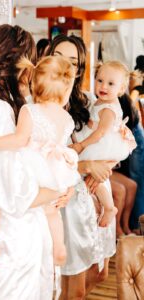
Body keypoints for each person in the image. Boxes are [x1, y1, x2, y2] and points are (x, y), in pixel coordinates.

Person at [0, 24, 73, 299]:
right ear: (20, 62)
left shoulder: (3, 106)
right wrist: (57, 189)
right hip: (16, 240)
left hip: (18, 236)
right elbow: (15, 193)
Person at [0, 55, 80, 268]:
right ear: (66, 92)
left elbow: (19, 140)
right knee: (52, 211)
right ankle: (59, 247)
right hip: (56, 169)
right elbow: (61, 147)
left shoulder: (29, 110)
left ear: (34, 84)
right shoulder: (67, 119)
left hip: (34, 166)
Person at [47, 34, 116, 300]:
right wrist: (86, 165)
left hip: (91, 193)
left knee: (100, 274)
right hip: (65, 203)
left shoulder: (88, 101)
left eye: (73, 62)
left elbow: (113, 144)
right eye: (59, 57)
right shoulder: (37, 102)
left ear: (80, 69)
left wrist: (103, 167)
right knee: (70, 289)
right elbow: (42, 161)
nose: (65, 66)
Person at [72, 61, 137, 227]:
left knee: (95, 178)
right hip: (96, 139)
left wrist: (80, 145)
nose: (103, 86)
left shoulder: (108, 108)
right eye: (100, 80)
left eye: (110, 83)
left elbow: (100, 132)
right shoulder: (99, 101)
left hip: (100, 143)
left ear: (121, 89)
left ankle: (109, 207)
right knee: (92, 176)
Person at [118, 93, 144, 232]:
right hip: (135, 133)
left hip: (134, 136)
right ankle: (135, 226)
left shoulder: (117, 95)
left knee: (138, 182)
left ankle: (137, 226)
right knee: (138, 181)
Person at [110, 170, 137, 237]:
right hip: (88, 170)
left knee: (132, 186)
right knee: (120, 190)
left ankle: (126, 227)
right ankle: (117, 228)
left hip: (106, 168)